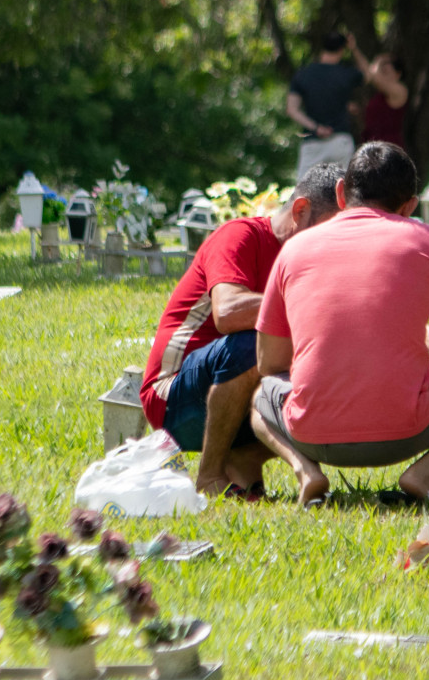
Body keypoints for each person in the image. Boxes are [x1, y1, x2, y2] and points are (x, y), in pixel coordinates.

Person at [249, 142, 429, 505]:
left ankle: (306, 472)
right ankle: (425, 472)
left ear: (341, 193)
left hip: (311, 434)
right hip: (408, 432)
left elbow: (269, 363)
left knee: (258, 399)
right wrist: (420, 334)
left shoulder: (295, 249)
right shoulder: (427, 239)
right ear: (411, 205)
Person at [140, 163, 346, 497]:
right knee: (254, 343)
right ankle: (209, 476)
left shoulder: (314, 258)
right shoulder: (239, 235)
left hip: (232, 393)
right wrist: (310, 301)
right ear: (300, 210)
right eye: (328, 232)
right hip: (173, 396)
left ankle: (242, 462)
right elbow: (228, 313)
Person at [287, 32, 361, 175]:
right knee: (342, 191)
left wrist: (316, 128)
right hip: (340, 139)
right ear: (342, 49)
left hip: (313, 142)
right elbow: (369, 74)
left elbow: (292, 110)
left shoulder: (303, 74)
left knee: (304, 191)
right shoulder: (345, 74)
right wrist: (354, 49)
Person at [351, 36, 409, 151]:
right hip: (371, 147)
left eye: (386, 72)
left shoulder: (400, 90)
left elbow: (371, 76)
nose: (381, 75)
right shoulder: (379, 95)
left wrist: (378, 60)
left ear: (398, 74)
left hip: (389, 148)